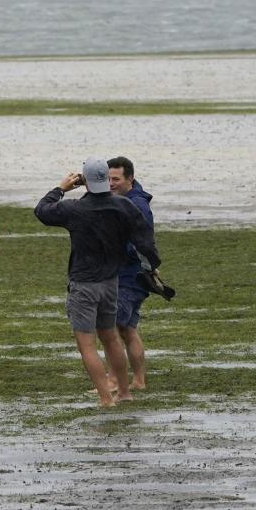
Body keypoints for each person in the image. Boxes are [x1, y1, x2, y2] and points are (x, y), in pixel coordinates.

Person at [34, 158, 160, 407]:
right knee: (111, 338)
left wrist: (61, 188)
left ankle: (105, 398)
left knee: (86, 345)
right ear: (106, 178)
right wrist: (152, 265)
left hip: (84, 284)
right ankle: (124, 392)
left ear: (85, 181)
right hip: (111, 282)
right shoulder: (124, 205)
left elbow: (42, 210)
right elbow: (145, 240)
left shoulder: (74, 208)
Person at [107, 156, 155, 391]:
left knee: (113, 328)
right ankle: (139, 381)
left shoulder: (137, 205)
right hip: (133, 276)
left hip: (129, 276)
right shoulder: (124, 200)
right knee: (128, 329)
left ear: (130, 178)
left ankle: (115, 381)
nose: (110, 184)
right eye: (107, 179)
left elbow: (141, 243)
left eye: (115, 179)